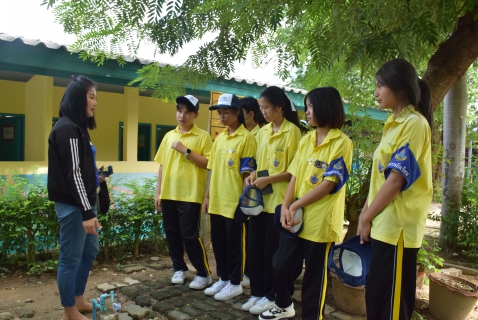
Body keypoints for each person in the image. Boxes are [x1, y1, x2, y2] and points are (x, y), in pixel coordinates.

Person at [259, 87, 353, 320]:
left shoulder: (342, 143)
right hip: (295, 218)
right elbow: (295, 175)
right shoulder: (306, 139)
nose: (306, 111)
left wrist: (293, 206)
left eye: (310, 106)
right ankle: (283, 304)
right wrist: (287, 206)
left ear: (325, 107)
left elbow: (329, 183)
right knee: (280, 264)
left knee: (314, 278)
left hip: (321, 223)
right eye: (306, 106)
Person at [357, 59, 433, 320]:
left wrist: (366, 216)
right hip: (383, 225)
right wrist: (365, 214)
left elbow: (396, 180)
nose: (375, 92)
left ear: (399, 87)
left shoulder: (414, 124)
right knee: (376, 297)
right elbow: (380, 179)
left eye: (380, 85)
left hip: (398, 229)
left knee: (391, 305)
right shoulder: (393, 124)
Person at [242, 86, 302, 315]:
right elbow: (259, 166)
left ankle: (271, 295)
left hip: (278, 203)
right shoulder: (263, 132)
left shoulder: (292, 132)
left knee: (271, 253)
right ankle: (257, 292)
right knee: (255, 249)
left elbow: (293, 171)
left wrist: (268, 180)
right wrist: (253, 176)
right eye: (261, 108)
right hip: (260, 202)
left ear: (279, 107)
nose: (263, 112)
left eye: (266, 107)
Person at [48, 75, 102, 320]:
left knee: (89, 251)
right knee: (70, 259)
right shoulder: (67, 128)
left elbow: (81, 169)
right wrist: (87, 212)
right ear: (79, 99)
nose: (95, 103)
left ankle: (78, 299)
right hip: (74, 207)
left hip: (84, 203)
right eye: (91, 97)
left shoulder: (78, 128)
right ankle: (69, 311)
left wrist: (97, 178)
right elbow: (73, 174)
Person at [153, 95, 213, 289]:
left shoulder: (203, 136)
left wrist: (186, 151)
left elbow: (208, 164)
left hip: (190, 194)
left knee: (190, 235)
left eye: (188, 112)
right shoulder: (169, 135)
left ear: (196, 114)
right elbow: (162, 166)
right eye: (180, 111)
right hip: (169, 193)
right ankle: (179, 268)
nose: (182, 115)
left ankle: (204, 273)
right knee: (172, 234)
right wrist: (158, 193)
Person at [203, 93, 257, 300]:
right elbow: (213, 171)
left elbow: (247, 175)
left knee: (235, 245)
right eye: (219, 113)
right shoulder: (220, 138)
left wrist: (244, 201)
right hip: (216, 200)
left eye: (226, 112)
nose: (222, 116)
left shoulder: (247, 138)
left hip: (234, 202)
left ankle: (236, 282)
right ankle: (223, 279)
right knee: (219, 243)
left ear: (236, 112)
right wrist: (207, 197)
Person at [238, 96, 266, 288]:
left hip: (256, 193)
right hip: (242, 191)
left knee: (252, 238)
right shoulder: (240, 134)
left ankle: (249, 273)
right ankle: (242, 272)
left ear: (250, 114)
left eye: (240, 112)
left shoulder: (262, 134)